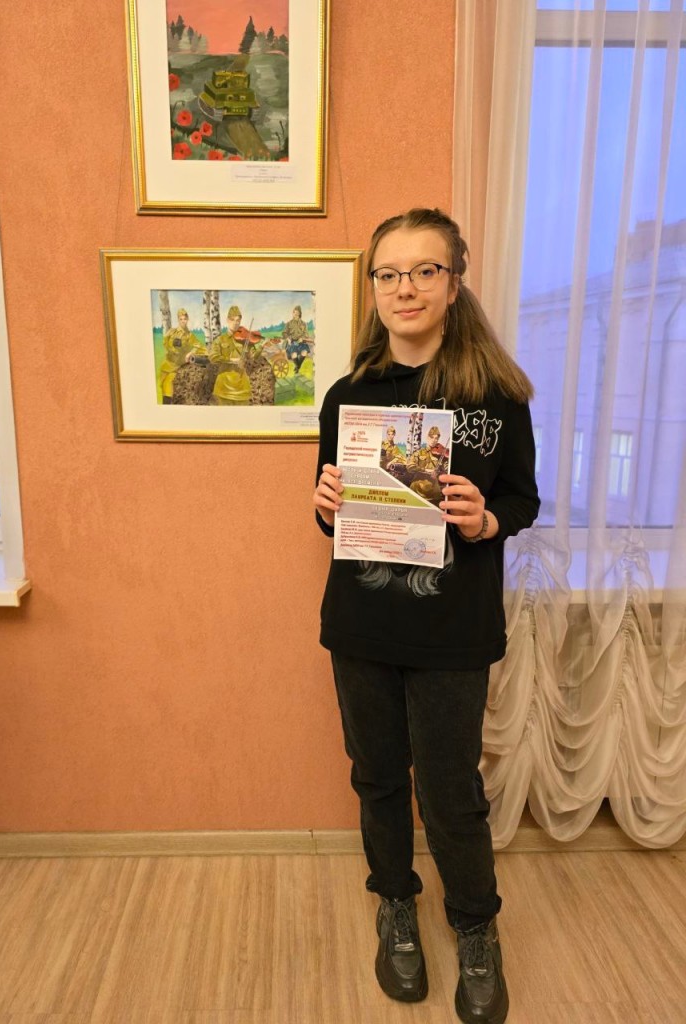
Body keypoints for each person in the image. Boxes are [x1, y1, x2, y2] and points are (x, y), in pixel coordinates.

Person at [313, 208, 539, 1024]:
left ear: (453, 282)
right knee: (376, 777)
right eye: (388, 273)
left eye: (423, 271)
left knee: (450, 790)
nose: (404, 288)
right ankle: (396, 904)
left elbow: (523, 501)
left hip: (454, 633)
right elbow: (333, 517)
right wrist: (325, 504)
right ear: (372, 287)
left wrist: (486, 519)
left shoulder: (498, 398)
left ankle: (475, 925)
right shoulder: (348, 397)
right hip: (363, 627)